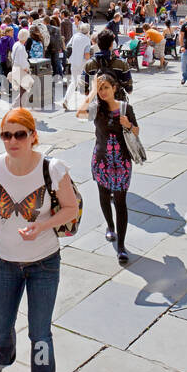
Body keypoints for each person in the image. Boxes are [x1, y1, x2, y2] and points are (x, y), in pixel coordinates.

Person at [0, 107, 80, 372]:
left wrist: (42, 226)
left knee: (40, 335)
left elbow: (71, 208)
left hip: (43, 263)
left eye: (19, 134)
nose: (12, 141)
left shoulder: (52, 168)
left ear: (32, 135)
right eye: (6, 135)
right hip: (6, 262)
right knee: (1, 325)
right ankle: (1, 358)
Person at [77, 73, 139, 265]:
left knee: (120, 202)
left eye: (106, 88)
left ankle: (121, 246)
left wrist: (128, 124)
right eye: (100, 88)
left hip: (121, 162)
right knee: (104, 195)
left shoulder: (125, 107)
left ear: (114, 88)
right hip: (101, 160)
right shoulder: (96, 108)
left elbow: (136, 130)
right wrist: (93, 90)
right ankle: (110, 227)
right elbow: (80, 114)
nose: (103, 92)